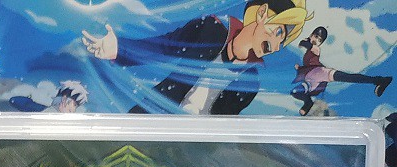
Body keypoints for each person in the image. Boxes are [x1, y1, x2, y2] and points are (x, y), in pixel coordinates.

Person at [82, 0, 312, 115]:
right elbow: (165, 46)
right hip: (152, 121)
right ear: (261, 14)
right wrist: (118, 49)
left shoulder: (249, 82)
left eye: (282, 41)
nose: (276, 45)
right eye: (278, 32)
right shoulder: (211, 29)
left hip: (189, 149)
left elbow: (223, 127)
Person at [290, 26, 390, 116]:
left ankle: (380, 80)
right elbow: (309, 65)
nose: (316, 40)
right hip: (311, 80)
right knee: (295, 92)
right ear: (311, 35)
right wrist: (299, 68)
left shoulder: (316, 49)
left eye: (319, 40)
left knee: (349, 77)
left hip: (321, 73)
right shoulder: (309, 52)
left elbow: (304, 44)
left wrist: (307, 40)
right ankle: (308, 103)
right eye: (315, 36)